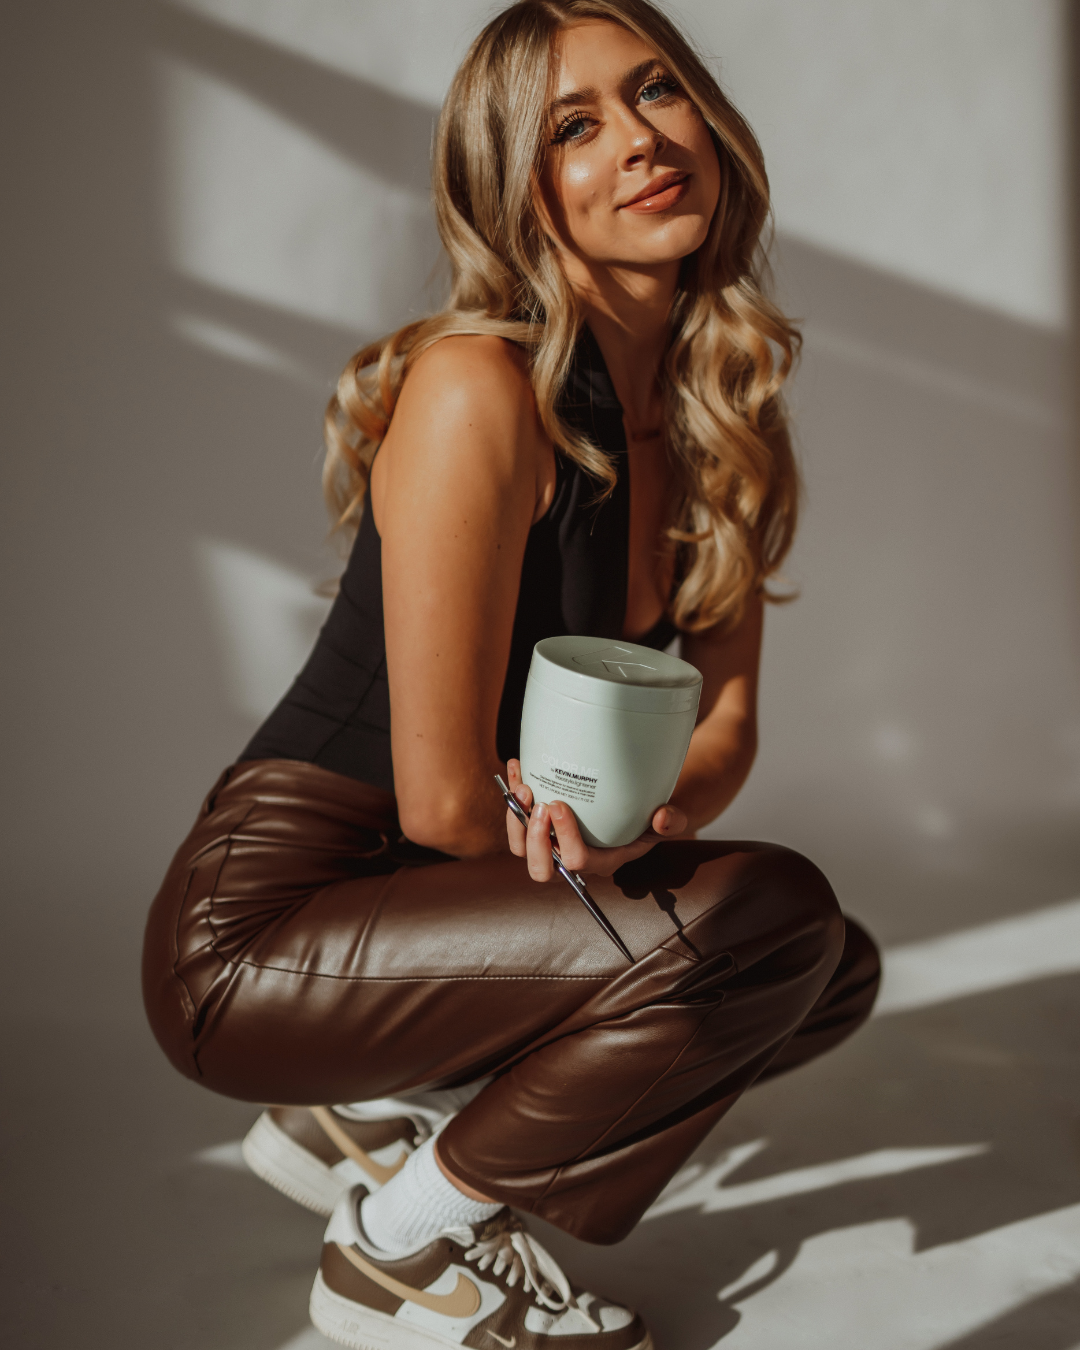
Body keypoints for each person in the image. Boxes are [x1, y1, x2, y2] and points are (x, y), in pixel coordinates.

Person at [142, 3, 881, 1347]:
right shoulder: (482, 387)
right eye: (576, 126)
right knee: (769, 919)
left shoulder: (719, 411)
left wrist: (657, 824)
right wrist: (628, 878)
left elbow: (725, 720)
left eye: (658, 91)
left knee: (824, 964)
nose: (644, 140)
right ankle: (400, 1243)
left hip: (438, 905)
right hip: (267, 928)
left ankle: (370, 1116)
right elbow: (435, 803)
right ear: (521, 193)